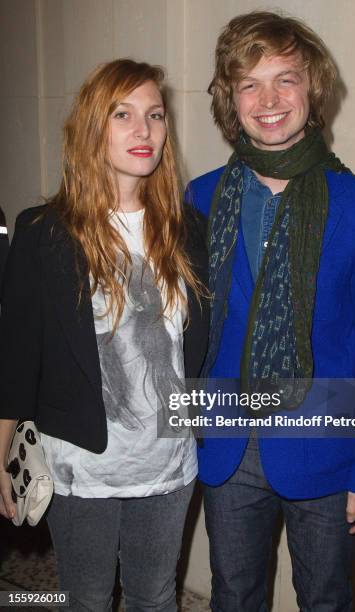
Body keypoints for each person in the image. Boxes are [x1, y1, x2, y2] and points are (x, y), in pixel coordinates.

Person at [186, 11, 355, 612]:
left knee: (328, 600)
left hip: (329, 442)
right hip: (225, 440)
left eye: (286, 79)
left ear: (314, 89)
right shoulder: (201, 197)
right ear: (230, 98)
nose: (269, 99)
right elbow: (186, 327)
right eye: (248, 83)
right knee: (233, 595)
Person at [0, 59, 209, 611]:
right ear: (94, 127)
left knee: (155, 595)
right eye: (124, 114)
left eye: (155, 115)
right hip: (82, 465)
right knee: (87, 599)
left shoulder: (187, 230)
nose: (144, 131)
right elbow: (17, 358)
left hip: (168, 461)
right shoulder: (43, 233)